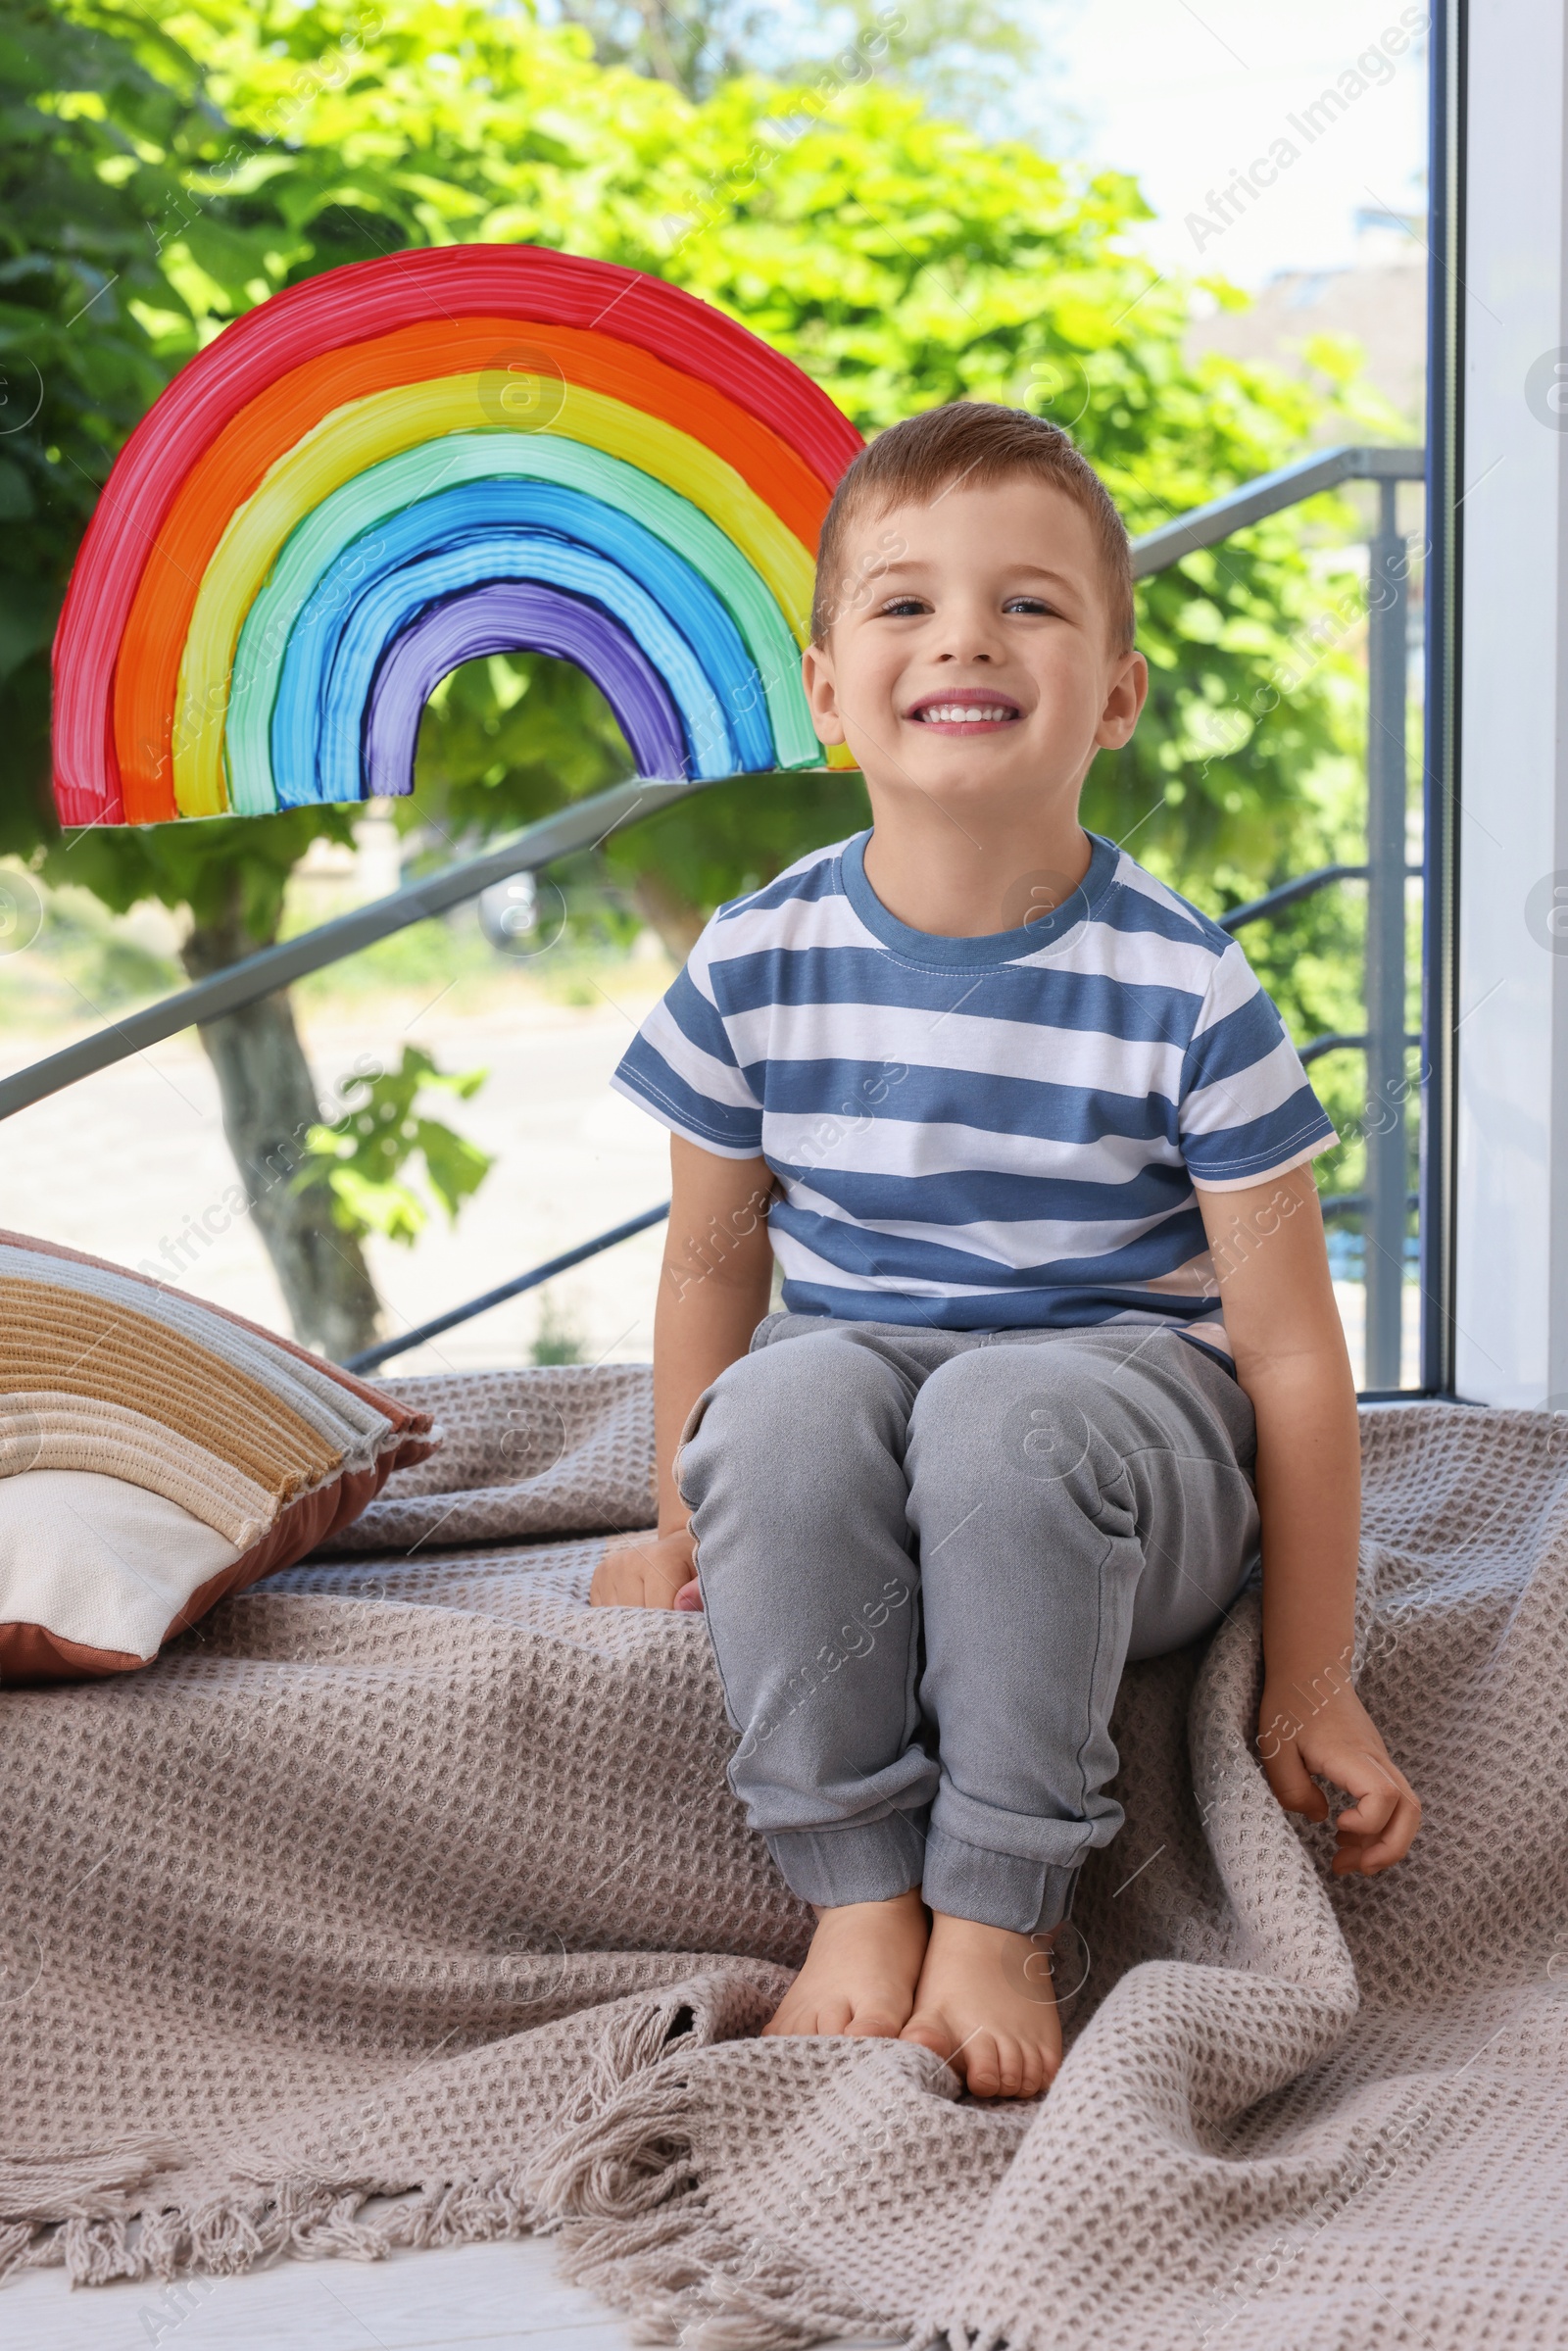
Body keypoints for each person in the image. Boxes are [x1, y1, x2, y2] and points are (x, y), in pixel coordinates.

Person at [589, 400, 1421, 2102]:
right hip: (871, 1409)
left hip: (1128, 1447)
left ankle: (996, 1905)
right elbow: (710, 1269)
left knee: (1002, 1417)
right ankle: (857, 1890)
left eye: (1028, 603)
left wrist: (1313, 1679)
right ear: (828, 693)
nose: (964, 631)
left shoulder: (1190, 989)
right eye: (904, 604)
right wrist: (682, 1519)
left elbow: (1284, 1348)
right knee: (783, 1411)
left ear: (1113, 694)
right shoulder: (755, 963)